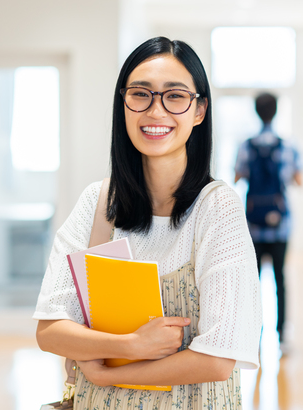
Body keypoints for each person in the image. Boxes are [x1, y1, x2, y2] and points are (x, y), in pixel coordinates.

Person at [33, 37, 262, 410]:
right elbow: (51, 331)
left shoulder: (216, 208)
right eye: (141, 94)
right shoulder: (98, 202)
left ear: (199, 109)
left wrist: (109, 372)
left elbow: (219, 358)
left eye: (175, 96)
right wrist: (130, 346)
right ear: (123, 103)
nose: (156, 111)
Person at [234, 93, 302, 346]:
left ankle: (255, 331)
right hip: (281, 225)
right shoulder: (288, 145)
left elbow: (237, 176)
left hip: (252, 224)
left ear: (256, 112)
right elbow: (299, 180)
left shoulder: (246, 145)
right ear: (275, 112)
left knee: (254, 281)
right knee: (280, 278)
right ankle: (282, 333)